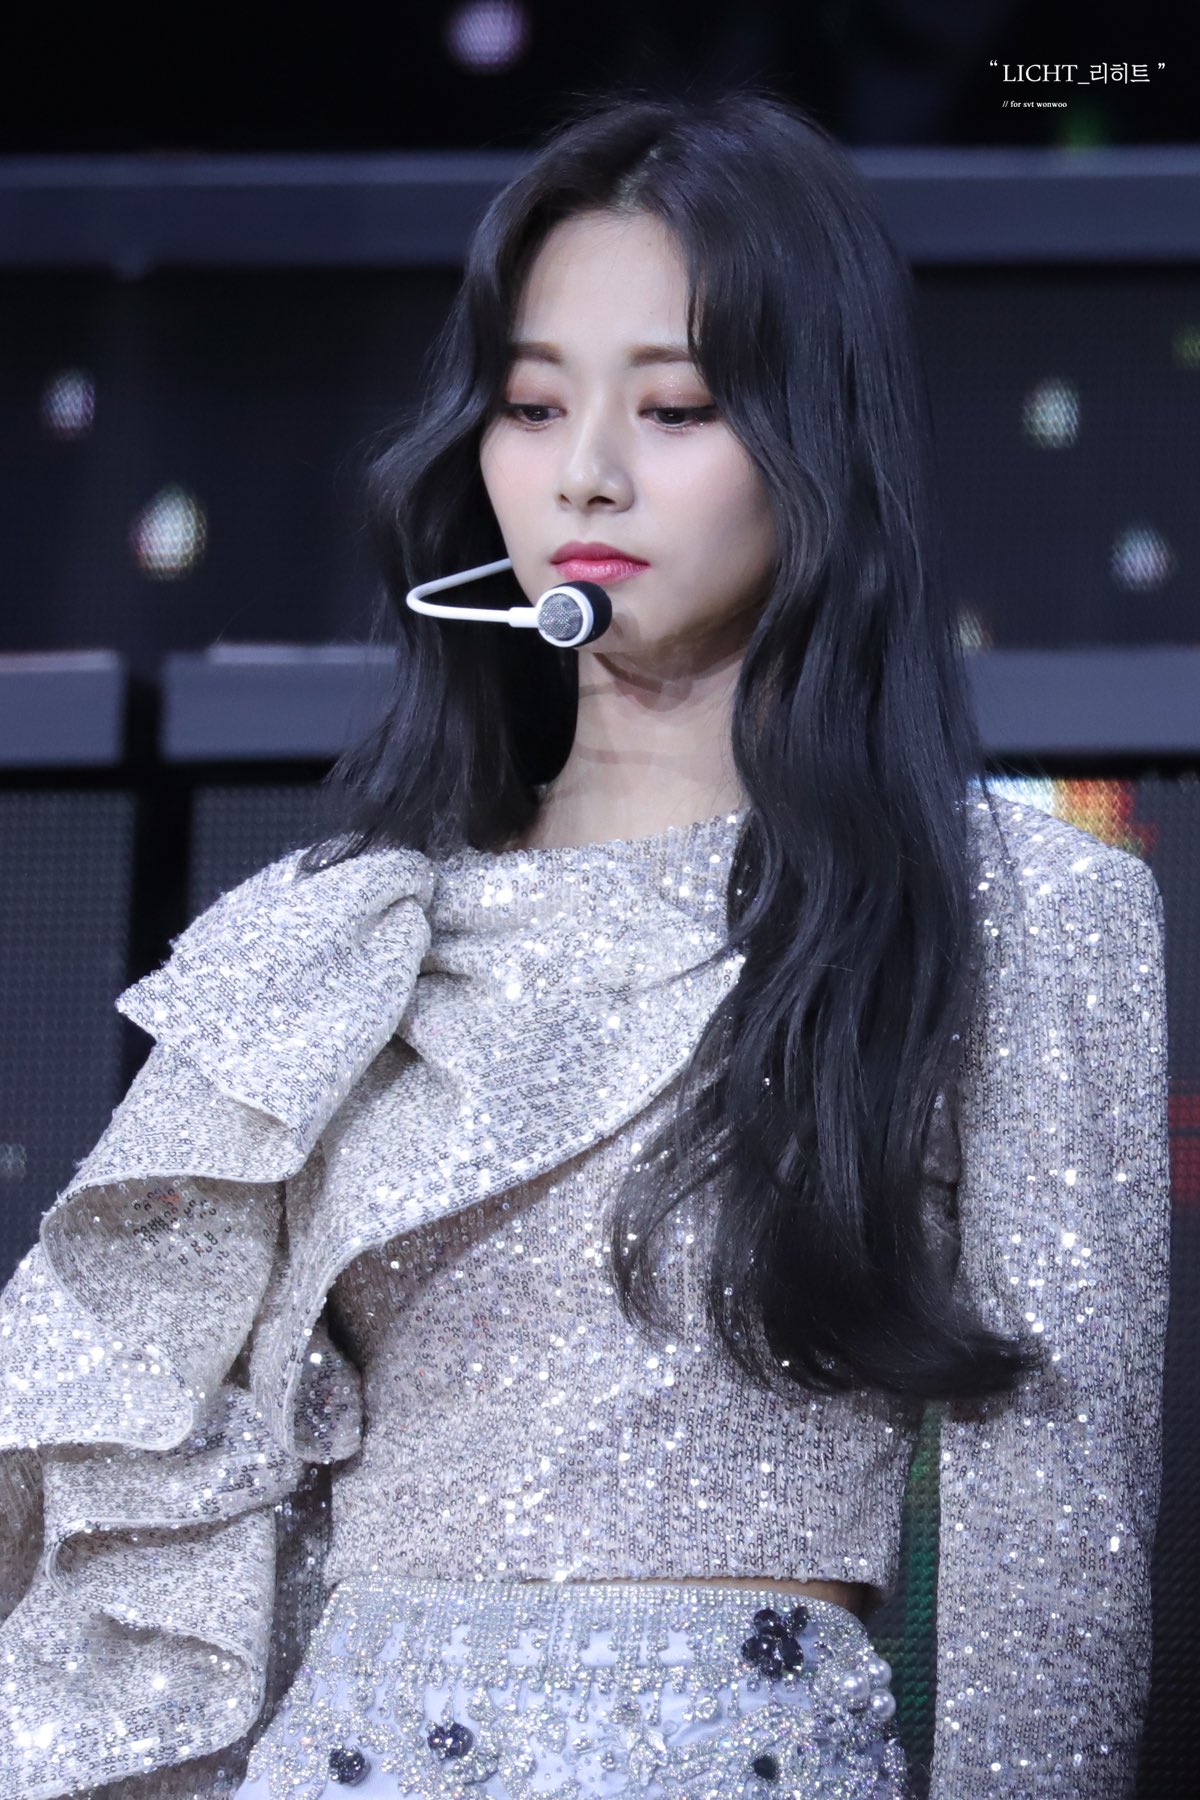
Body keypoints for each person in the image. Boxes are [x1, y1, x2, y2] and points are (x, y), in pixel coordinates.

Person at [0, 86, 1169, 1800]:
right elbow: (138, 1489)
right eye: (533, 405)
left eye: (676, 407)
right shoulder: (335, 938)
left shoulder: (1019, 914)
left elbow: (1053, 1558)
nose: (586, 474)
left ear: (821, 442)